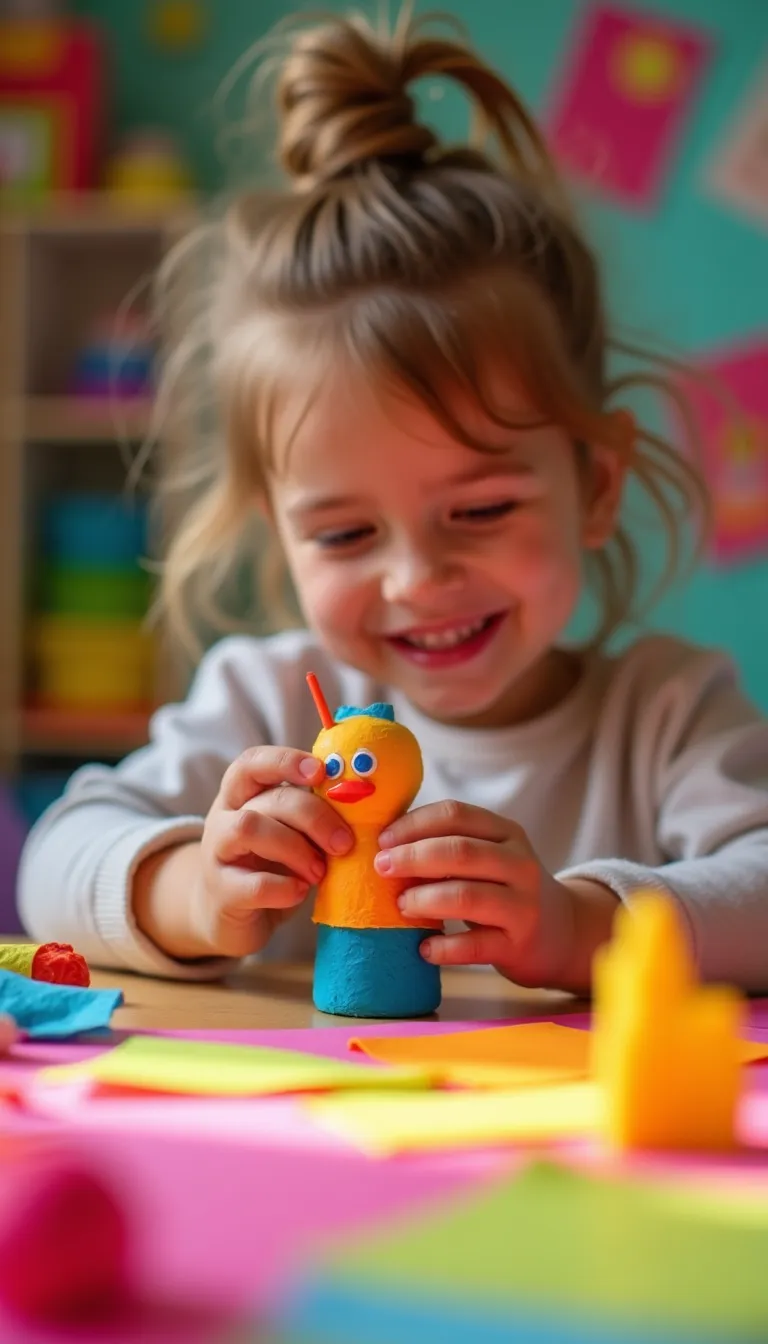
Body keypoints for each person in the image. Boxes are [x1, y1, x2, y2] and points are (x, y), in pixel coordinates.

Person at [18, 11, 768, 992]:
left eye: (481, 510)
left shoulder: (665, 716)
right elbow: (51, 861)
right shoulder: (264, 703)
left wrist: (585, 925)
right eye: (343, 532)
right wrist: (195, 890)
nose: (417, 579)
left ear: (595, 482)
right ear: (280, 533)